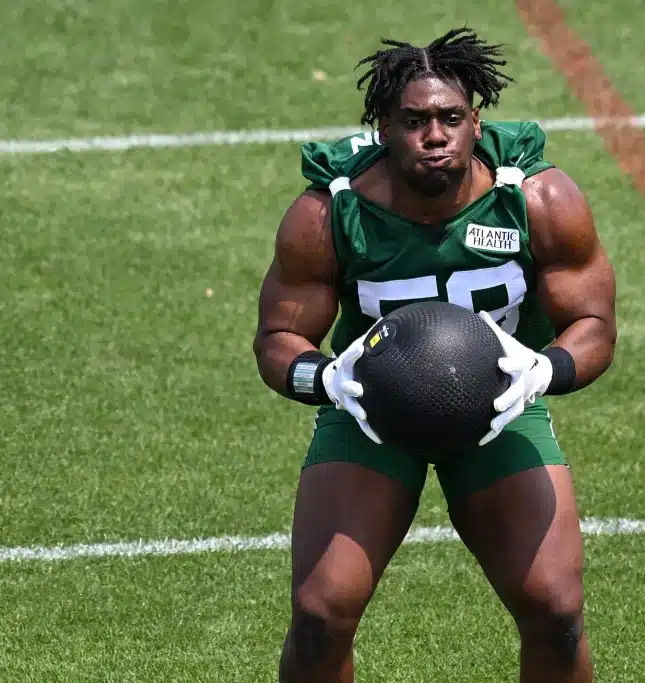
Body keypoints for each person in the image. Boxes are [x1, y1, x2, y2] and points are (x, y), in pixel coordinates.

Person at [253, 27, 617, 683]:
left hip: (500, 407)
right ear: (384, 128)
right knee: (319, 614)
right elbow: (277, 339)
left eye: (451, 117)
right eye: (414, 120)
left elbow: (593, 323)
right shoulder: (328, 212)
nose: (435, 134)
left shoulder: (537, 199)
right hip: (370, 412)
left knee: (556, 611)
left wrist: (545, 368)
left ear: (476, 123)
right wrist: (326, 378)